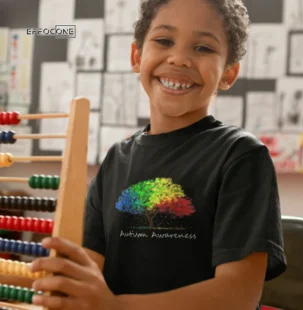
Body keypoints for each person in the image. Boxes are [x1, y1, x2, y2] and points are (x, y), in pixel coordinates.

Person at [29, 0, 287, 309]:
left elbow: (238, 296)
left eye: (203, 48)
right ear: (137, 56)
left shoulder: (241, 156)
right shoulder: (116, 159)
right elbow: (88, 273)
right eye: (164, 41)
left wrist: (114, 306)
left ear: (228, 74)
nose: (179, 59)